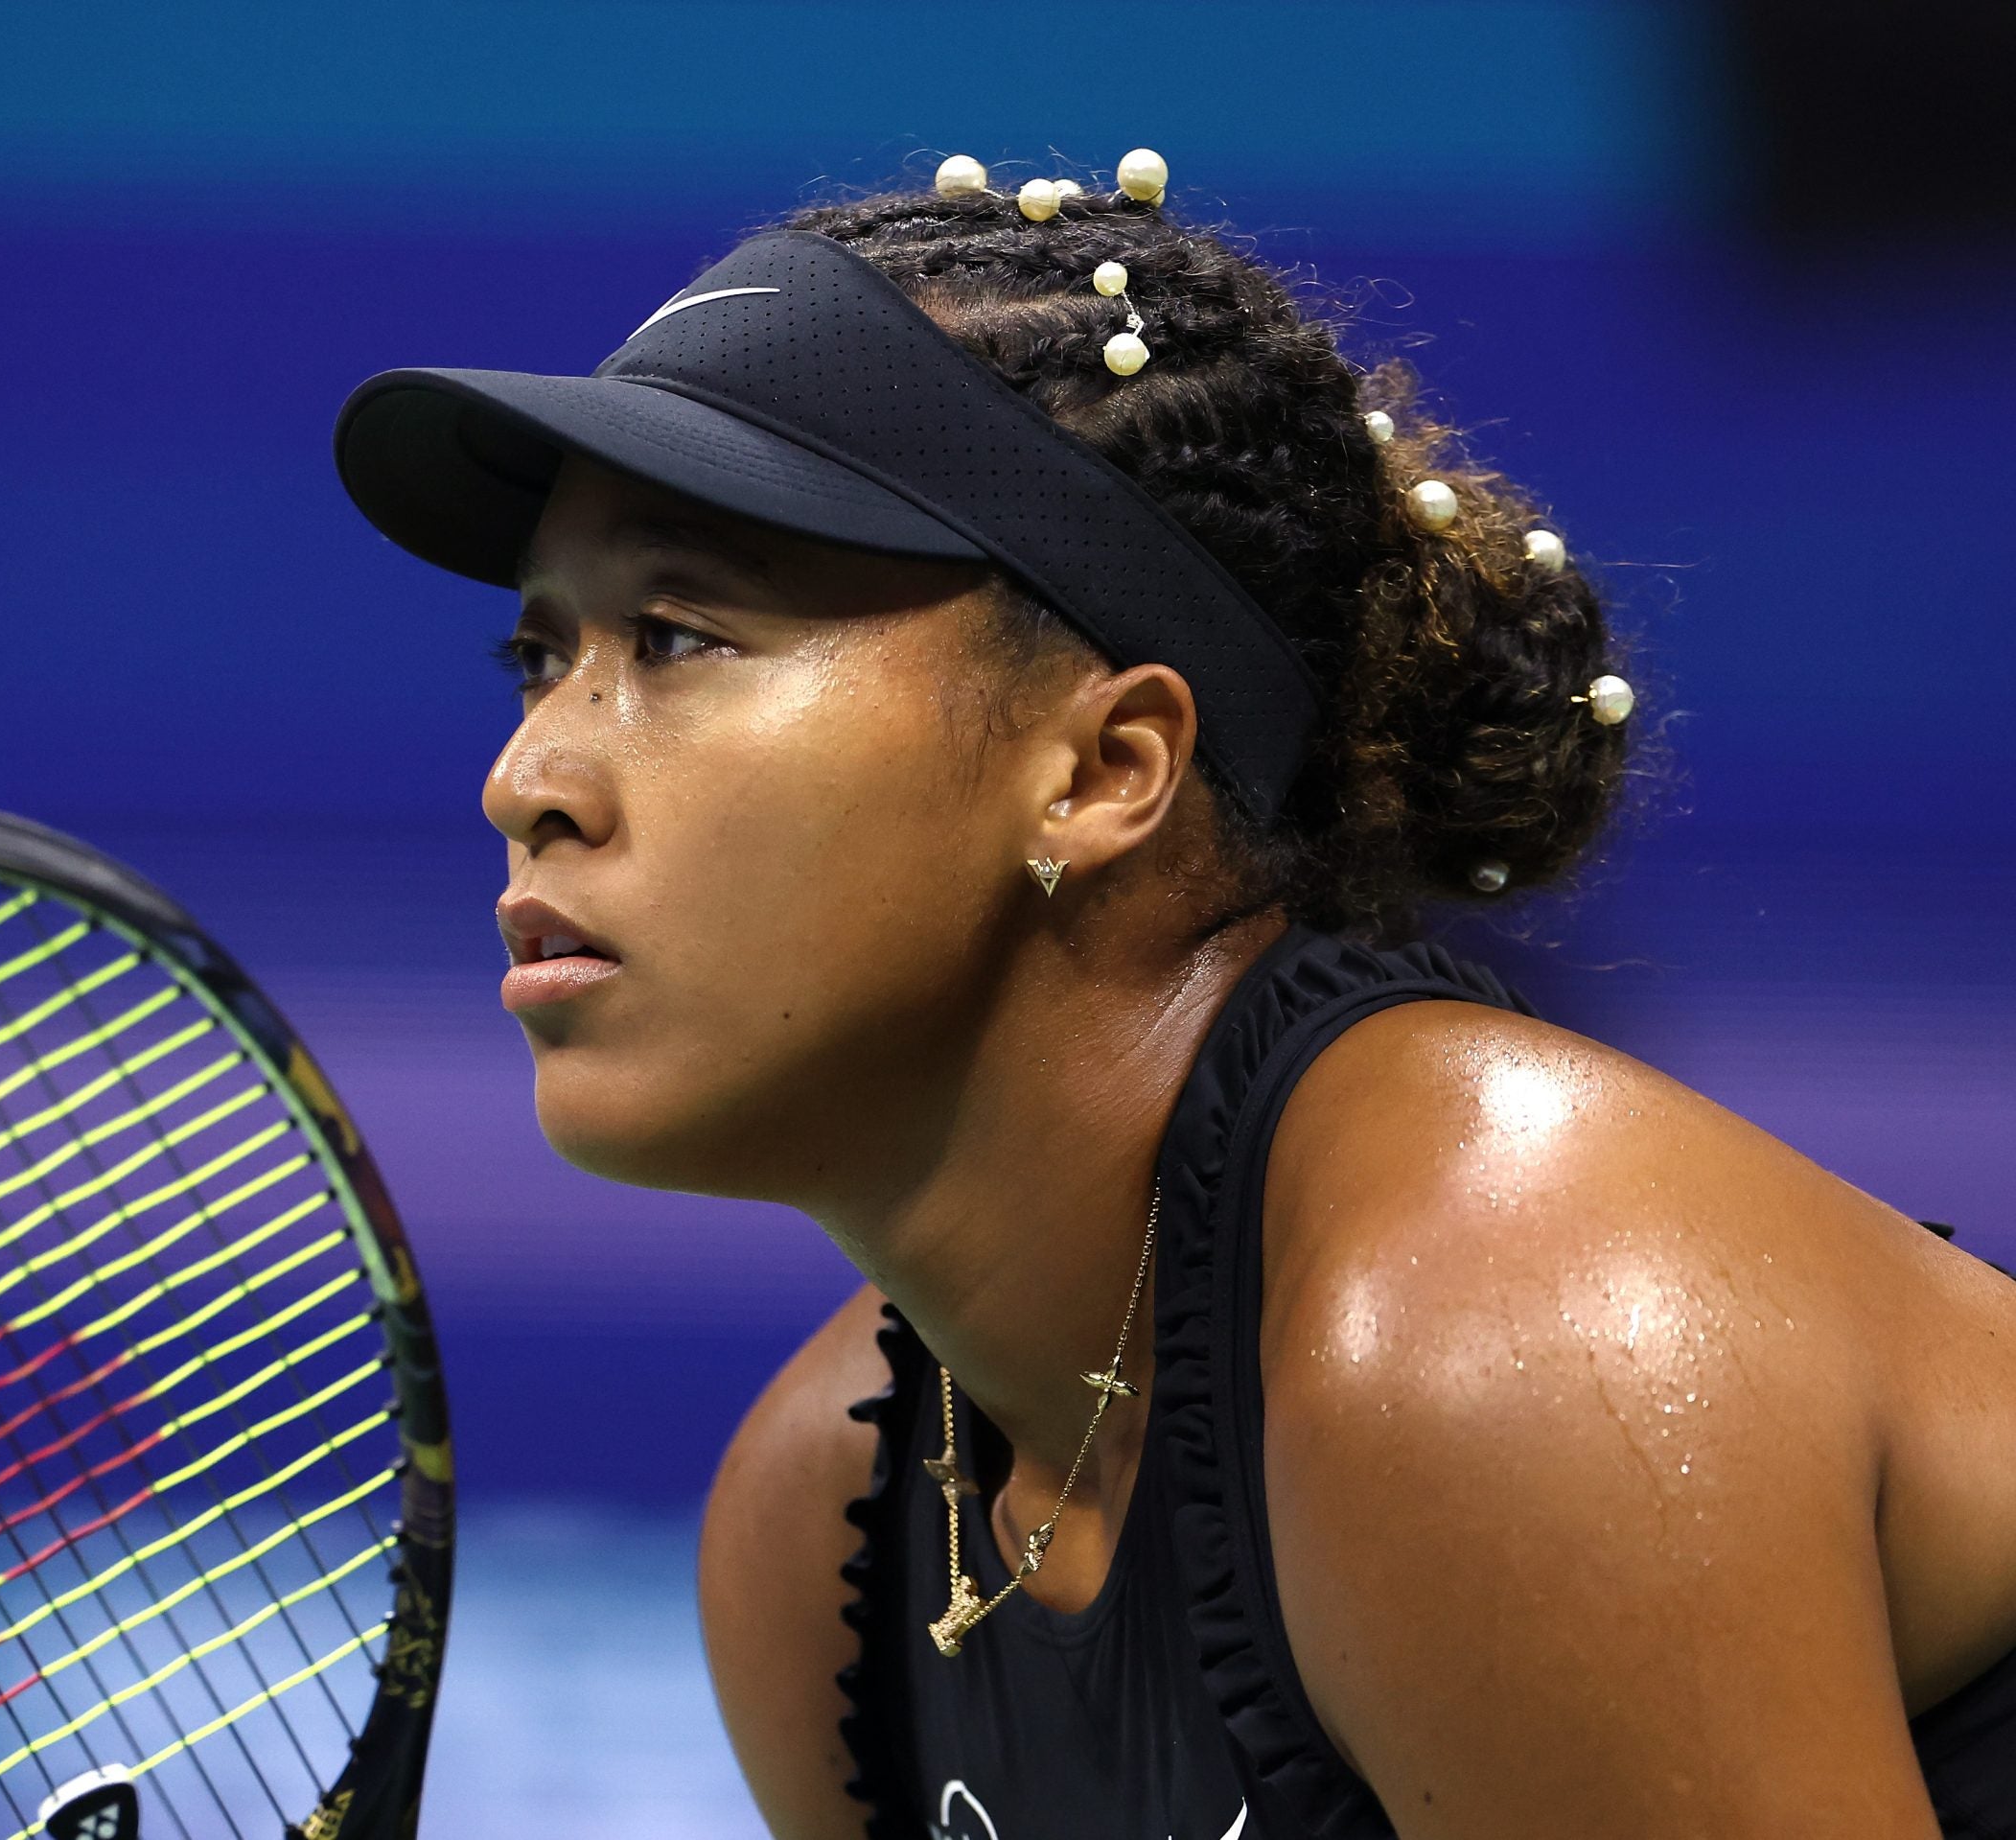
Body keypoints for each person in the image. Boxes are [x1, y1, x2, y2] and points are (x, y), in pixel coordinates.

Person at [332, 151, 2016, 1839]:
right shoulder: (815, 1528)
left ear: (1102, 771)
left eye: (681, 637)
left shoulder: (1494, 1348)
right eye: (541, 656)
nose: (530, 772)